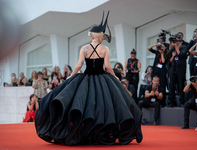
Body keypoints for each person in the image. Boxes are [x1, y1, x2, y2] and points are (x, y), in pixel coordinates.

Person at [34, 11, 143, 145]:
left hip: (85, 79)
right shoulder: (105, 49)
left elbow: (79, 64)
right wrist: (115, 77)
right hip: (103, 80)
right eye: (103, 36)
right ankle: (102, 132)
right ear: (100, 36)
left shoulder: (84, 48)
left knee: (84, 106)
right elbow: (108, 67)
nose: (103, 38)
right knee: (107, 106)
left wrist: (71, 77)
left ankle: (82, 132)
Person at [168, 36, 187, 107]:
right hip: (173, 68)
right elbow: (169, 60)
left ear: (180, 41)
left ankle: (182, 102)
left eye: (176, 40)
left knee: (181, 85)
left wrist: (176, 47)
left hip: (181, 68)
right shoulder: (172, 48)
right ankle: (171, 102)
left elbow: (181, 55)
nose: (175, 42)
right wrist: (172, 56)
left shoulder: (184, 47)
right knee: (171, 85)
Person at [147, 43, 169, 107]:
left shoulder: (167, 54)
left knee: (162, 86)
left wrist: (162, 53)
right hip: (155, 71)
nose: (161, 48)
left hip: (162, 72)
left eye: (162, 47)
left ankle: (162, 103)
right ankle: (153, 100)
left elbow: (163, 62)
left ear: (165, 48)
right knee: (154, 86)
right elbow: (149, 48)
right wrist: (155, 44)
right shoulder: (157, 52)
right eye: (161, 46)